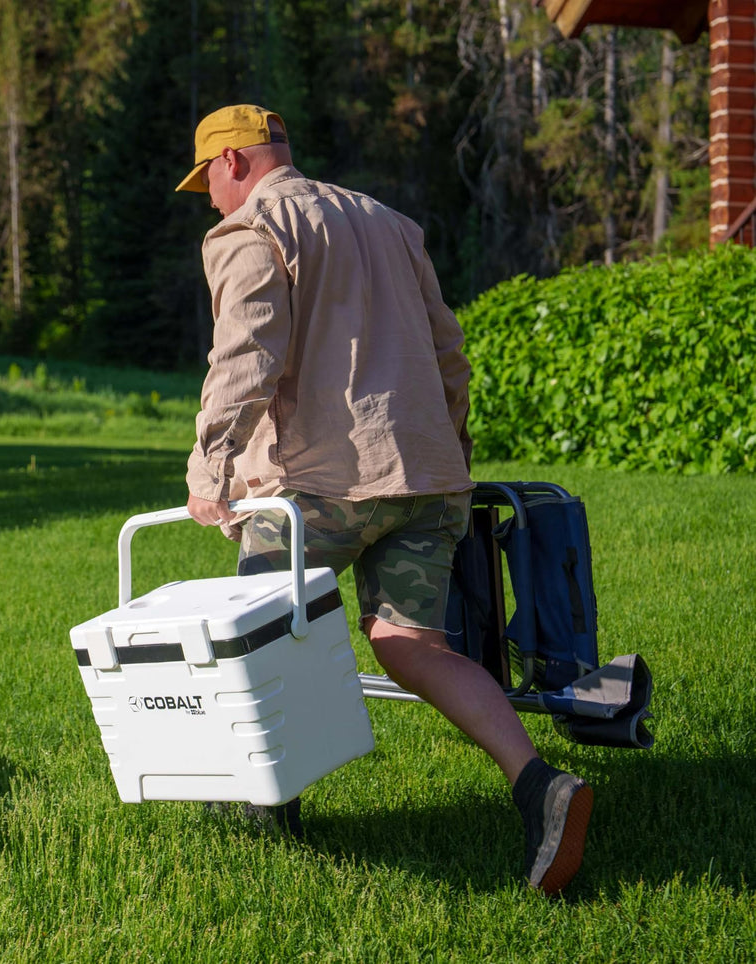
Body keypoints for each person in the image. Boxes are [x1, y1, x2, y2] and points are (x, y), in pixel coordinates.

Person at [175, 104, 592, 896]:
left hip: (319, 489)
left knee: (257, 640)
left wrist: (209, 470)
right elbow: (449, 354)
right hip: (427, 478)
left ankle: (268, 810)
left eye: (207, 182)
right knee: (413, 646)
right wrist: (450, 452)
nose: (208, 199)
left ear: (233, 162)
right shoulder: (388, 222)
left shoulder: (249, 230)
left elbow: (244, 356)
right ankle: (537, 783)